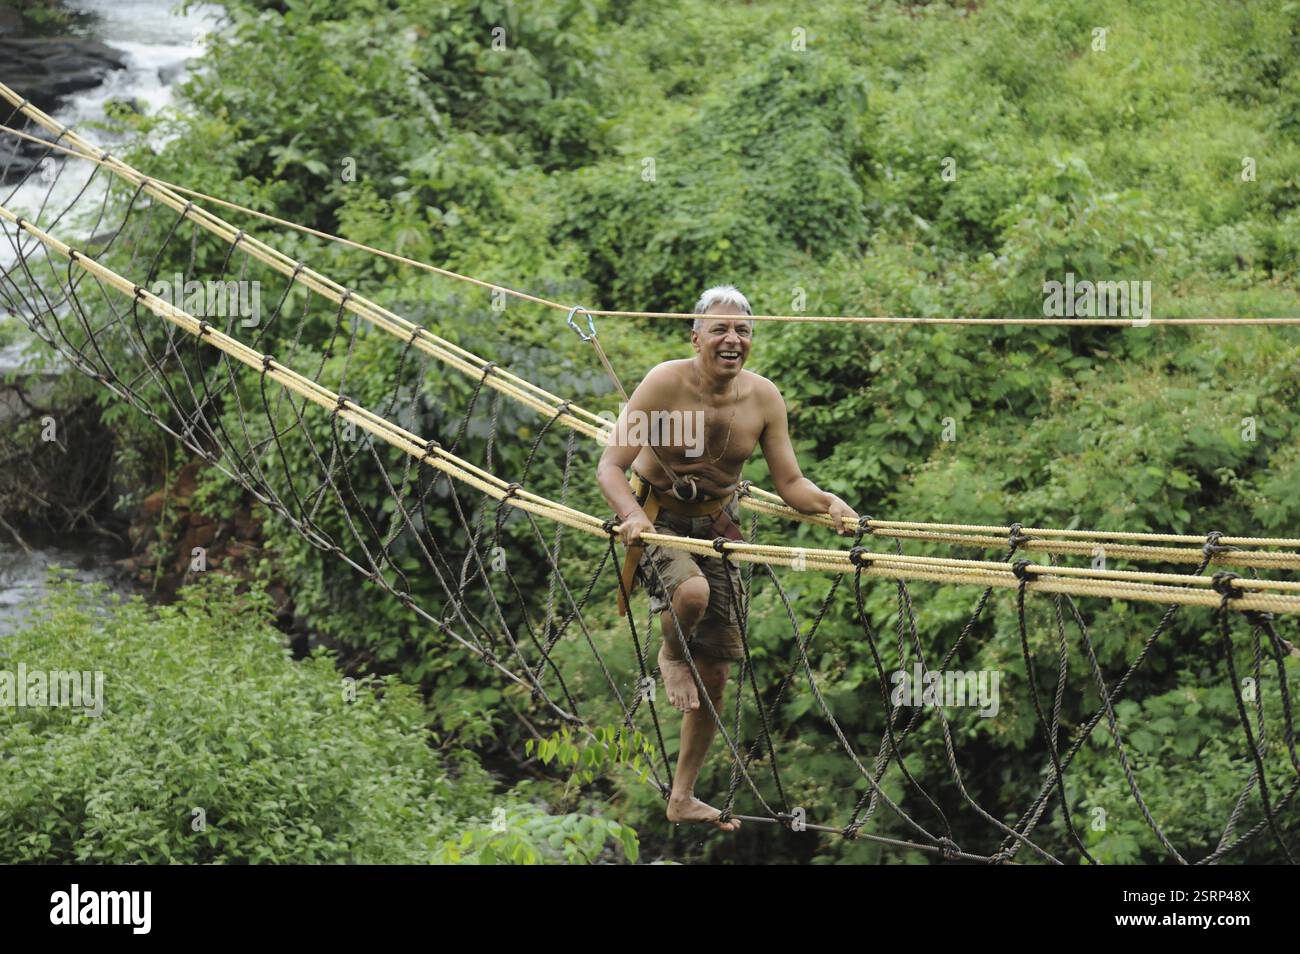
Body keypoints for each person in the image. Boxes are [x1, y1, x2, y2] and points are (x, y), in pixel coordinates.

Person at [595, 284, 859, 831]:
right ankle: (671, 654)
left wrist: (829, 503)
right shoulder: (664, 382)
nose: (732, 339)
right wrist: (634, 518)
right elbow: (610, 466)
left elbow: (790, 483)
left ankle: (682, 796)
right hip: (658, 519)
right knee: (691, 594)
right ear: (696, 336)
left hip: (716, 527)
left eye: (742, 330)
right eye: (719, 329)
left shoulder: (763, 398)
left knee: (714, 674)